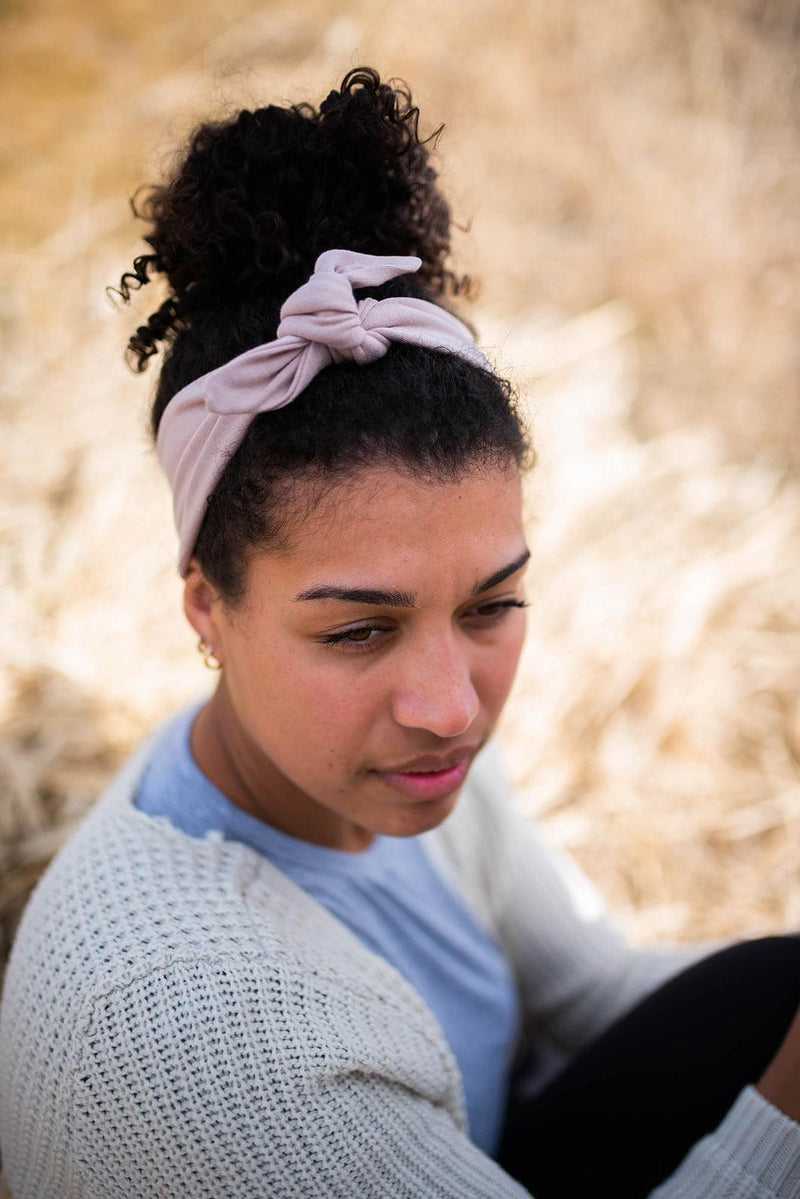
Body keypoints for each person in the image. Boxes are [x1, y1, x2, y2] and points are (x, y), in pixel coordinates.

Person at [1, 66, 799, 1199]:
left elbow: (595, 991)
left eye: (488, 605)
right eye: (357, 631)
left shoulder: (379, 754)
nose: (452, 705)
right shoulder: (184, 1027)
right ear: (205, 610)